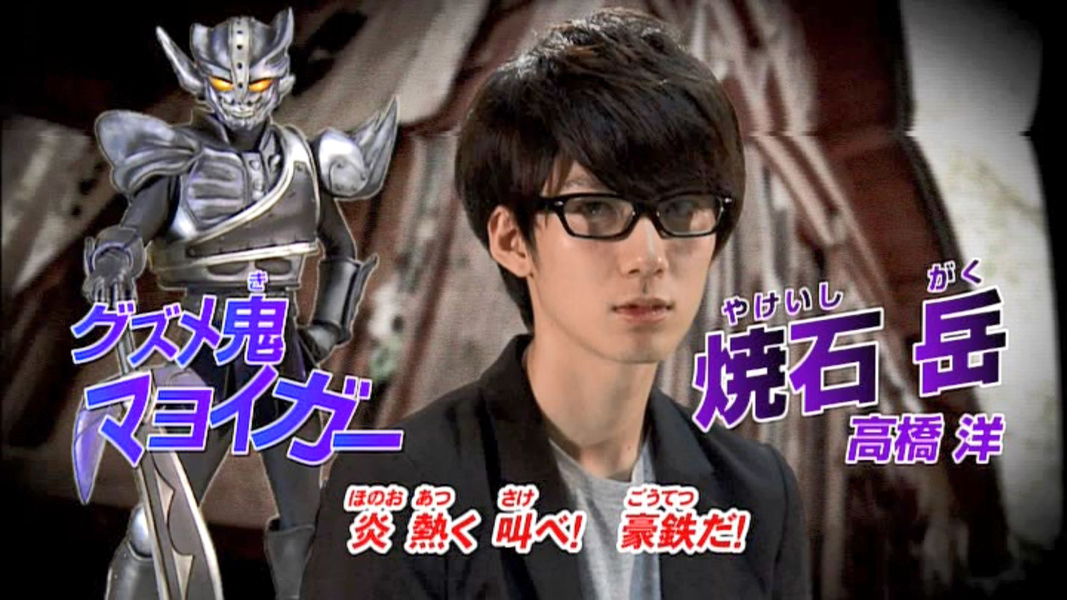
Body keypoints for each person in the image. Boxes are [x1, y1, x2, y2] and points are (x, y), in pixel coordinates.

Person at [304, 8, 809, 599]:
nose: (649, 256)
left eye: (680, 210)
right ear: (512, 240)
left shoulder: (758, 494)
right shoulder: (397, 491)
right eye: (595, 209)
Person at [78, 8, 396, 599]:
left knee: (308, 522)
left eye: (256, 82)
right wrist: (115, 261)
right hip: (209, 347)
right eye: (227, 83)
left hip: (282, 350)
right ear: (202, 82)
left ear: (280, 82)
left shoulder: (304, 161)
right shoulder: (179, 160)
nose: (244, 97)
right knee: (159, 521)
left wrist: (325, 330)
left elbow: (342, 251)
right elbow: (131, 231)